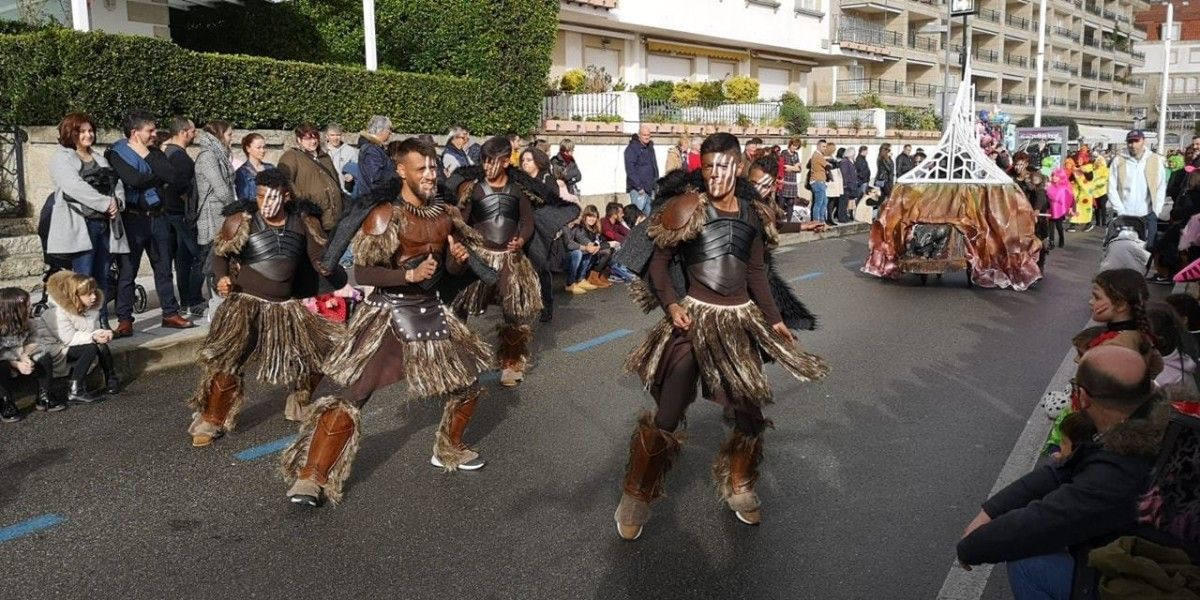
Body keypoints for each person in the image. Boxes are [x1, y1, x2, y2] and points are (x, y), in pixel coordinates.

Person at [612, 133, 829, 540]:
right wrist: (673, 306)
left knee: (749, 412)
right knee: (669, 412)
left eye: (723, 166)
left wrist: (775, 320)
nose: (715, 175)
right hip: (693, 320)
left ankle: (740, 484)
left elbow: (756, 274)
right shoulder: (688, 208)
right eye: (708, 167)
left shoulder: (753, 215)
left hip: (740, 323)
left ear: (738, 167)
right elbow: (659, 265)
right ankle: (637, 492)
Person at [281, 139, 492, 507]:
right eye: (421, 169)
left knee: (468, 382)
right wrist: (406, 278)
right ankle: (312, 475)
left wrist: (457, 260)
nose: (430, 175)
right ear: (401, 171)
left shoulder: (445, 215)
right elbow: (362, 270)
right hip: (387, 312)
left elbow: (446, 274)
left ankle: (449, 448)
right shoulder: (384, 215)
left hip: (429, 311)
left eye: (433, 168)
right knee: (353, 394)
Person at [957, 345, 1172, 600]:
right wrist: (992, 509)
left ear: (1082, 397)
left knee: (1029, 564)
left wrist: (971, 548)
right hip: (1161, 553)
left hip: (1166, 579)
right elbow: (1063, 470)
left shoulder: (1121, 469)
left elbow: (1045, 522)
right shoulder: (1153, 425)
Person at [187, 169, 348, 448]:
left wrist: (329, 268)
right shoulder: (241, 221)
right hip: (245, 305)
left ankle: (298, 403)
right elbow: (220, 255)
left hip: (286, 307)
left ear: (286, 195)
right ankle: (212, 418)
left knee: (324, 351)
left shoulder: (303, 222)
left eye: (271, 197)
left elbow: (318, 256)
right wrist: (222, 279)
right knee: (228, 359)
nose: (265, 203)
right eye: (260, 196)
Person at [448, 137, 546, 387]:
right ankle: (458, 363)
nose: (486, 166)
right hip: (479, 258)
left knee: (513, 311)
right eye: (483, 161)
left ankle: (512, 363)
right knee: (459, 309)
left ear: (505, 162)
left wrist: (521, 240)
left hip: (510, 259)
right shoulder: (475, 190)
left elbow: (528, 222)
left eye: (492, 161)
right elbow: (462, 223)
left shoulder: (517, 192)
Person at [104, 110, 193, 336]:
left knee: (164, 269)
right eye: (150, 130)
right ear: (135, 132)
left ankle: (170, 313)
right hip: (133, 219)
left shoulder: (153, 152)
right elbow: (133, 179)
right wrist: (157, 176)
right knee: (127, 271)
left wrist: (146, 156)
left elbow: (172, 176)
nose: (155, 134)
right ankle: (125, 320)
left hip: (158, 217)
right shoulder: (116, 153)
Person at [46, 112, 128, 330]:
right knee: (83, 277)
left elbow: (115, 183)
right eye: (82, 131)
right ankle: (81, 324)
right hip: (80, 224)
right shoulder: (61, 158)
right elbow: (74, 187)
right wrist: (105, 203)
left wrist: (117, 202)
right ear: (70, 133)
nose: (88, 135)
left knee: (102, 274)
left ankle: (100, 321)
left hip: (104, 224)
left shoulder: (100, 157)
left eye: (90, 130)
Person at [37, 271, 118, 405]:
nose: (94, 297)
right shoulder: (57, 312)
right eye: (89, 294)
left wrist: (102, 333)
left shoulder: (90, 308)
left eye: (94, 292)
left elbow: (91, 331)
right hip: (56, 348)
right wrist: (94, 336)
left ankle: (111, 377)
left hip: (71, 345)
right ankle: (75, 390)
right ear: (75, 295)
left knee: (100, 344)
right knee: (91, 347)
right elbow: (68, 339)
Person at [160, 116, 204, 318]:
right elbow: (177, 184)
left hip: (173, 213)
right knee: (200, 255)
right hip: (181, 214)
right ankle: (193, 299)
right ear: (183, 132)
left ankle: (187, 299)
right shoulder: (179, 157)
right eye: (193, 130)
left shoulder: (169, 153)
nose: (195, 134)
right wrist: (187, 199)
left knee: (183, 258)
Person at [0, 287, 65, 419]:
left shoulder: (28, 322)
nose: (31, 307)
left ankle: (44, 395)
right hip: (6, 360)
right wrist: (16, 364)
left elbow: (34, 340)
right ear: (15, 310)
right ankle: (6, 402)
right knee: (2, 365)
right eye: (28, 305)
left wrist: (26, 356)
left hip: (20, 356)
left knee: (44, 356)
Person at [193, 120, 238, 303]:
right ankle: (209, 300)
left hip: (221, 213)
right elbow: (221, 189)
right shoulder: (208, 156)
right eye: (229, 134)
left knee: (219, 257)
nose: (231, 138)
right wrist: (236, 208)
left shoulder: (219, 154)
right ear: (219, 135)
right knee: (212, 261)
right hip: (213, 215)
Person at [277, 123, 344, 234]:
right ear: (299, 140)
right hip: (312, 218)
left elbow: (335, 179)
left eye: (315, 137)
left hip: (335, 217)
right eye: (308, 138)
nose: (313, 141)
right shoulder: (291, 156)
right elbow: (285, 181)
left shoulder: (324, 157)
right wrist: (305, 199)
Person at [1108, 130, 1167, 250]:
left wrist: (1157, 210)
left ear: (1143, 141)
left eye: (1136, 141)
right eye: (1130, 142)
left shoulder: (1154, 160)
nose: (1133, 145)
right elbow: (1111, 186)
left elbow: (1161, 186)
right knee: (1121, 251)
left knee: (1147, 251)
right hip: (1124, 215)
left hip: (1147, 214)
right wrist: (1120, 210)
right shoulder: (1119, 161)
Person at [563, 205, 615, 294]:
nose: (581, 217)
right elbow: (569, 244)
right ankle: (570, 283)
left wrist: (591, 245)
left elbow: (582, 238)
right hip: (561, 256)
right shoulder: (564, 227)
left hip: (572, 253)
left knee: (589, 250)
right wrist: (586, 247)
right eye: (579, 215)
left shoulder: (576, 227)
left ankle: (581, 279)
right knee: (578, 253)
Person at [357, 115, 397, 199]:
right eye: (389, 130)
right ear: (382, 131)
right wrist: (397, 175)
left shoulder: (374, 148)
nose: (390, 134)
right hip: (375, 200)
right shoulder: (371, 150)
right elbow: (375, 178)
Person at [624, 124, 659, 213]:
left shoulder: (650, 148)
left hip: (650, 189)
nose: (646, 137)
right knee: (638, 217)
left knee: (650, 218)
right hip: (639, 190)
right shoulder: (632, 148)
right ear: (639, 135)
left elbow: (654, 166)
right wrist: (639, 187)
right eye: (644, 135)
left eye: (648, 135)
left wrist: (656, 184)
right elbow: (630, 170)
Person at [234, 133, 272, 203]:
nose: (262, 150)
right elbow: (243, 199)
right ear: (248, 149)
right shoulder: (241, 173)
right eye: (258, 147)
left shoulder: (271, 168)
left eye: (264, 147)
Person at [324, 122, 357, 195]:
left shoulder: (350, 151)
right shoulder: (322, 151)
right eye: (332, 135)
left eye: (338, 135)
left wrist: (351, 175)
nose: (335, 138)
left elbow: (357, 170)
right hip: (327, 193)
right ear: (326, 136)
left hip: (345, 193)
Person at [778, 138, 802, 221]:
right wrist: (794, 167)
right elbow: (783, 167)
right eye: (793, 146)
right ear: (790, 145)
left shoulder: (796, 154)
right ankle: (780, 221)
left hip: (792, 181)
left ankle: (789, 221)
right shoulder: (784, 153)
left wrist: (791, 167)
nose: (794, 148)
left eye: (796, 146)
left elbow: (799, 169)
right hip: (785, 180)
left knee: (791, 203)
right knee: (781, 202)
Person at [808, 139, 830, 224]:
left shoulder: (817, 155)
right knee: (819, 203)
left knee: (824, 202)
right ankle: (816, 222)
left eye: (825, 146)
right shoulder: (818, 156)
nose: (825, 148)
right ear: (818, 146)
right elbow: (828, 165)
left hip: (819, 181)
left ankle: (821, 221)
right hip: (818, 181)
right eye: (823, 146)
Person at [837, 147, 860, 224]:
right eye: (854, 153)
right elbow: (845, 174)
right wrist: (846, 184)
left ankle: (844, 216)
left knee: (846, 202)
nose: (854, 155)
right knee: (843, 202)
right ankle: (842, 217)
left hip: (851, 185)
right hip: (846, 185)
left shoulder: (850, 161)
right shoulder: (845, 162)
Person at [1091, 155, 1110, 229]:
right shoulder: (1094, 171)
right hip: (1095, 192)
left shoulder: (1106, 170)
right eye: (1098, 161)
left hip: (1104, 191)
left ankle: (1104, 222)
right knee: (1097, 207)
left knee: (1102, 205)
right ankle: (1098, 222)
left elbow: (1108, 179)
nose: (1099, 163)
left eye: (1100, 161)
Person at [876, 143, 895, 207]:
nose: (892, 151)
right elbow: (890, 169)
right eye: (890, 149)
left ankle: (880, 212)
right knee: (890, 196)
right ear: (887, 150)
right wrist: (890, 158)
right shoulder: (883, 159)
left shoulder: (881, 158)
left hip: (882, 181)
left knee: (883, 197)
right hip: (885, 181)